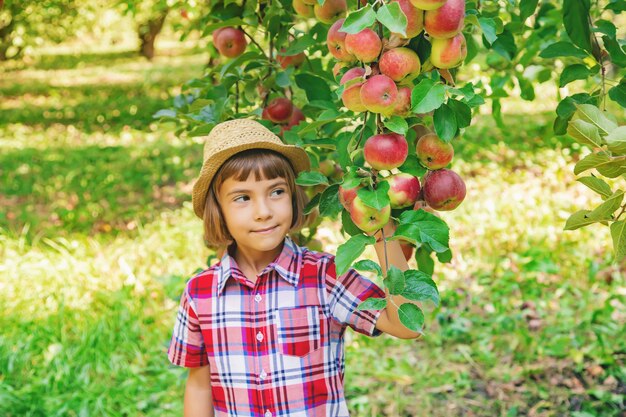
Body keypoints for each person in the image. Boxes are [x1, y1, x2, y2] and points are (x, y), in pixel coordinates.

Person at [168, 119, 421, 417]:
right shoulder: (200, 294)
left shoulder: (324, 277)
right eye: (242, 198)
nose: (263, 212)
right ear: (218, 211)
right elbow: (199, 386)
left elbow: (406, 325)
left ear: (293, 195)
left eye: (276, 192)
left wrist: (382, 228)